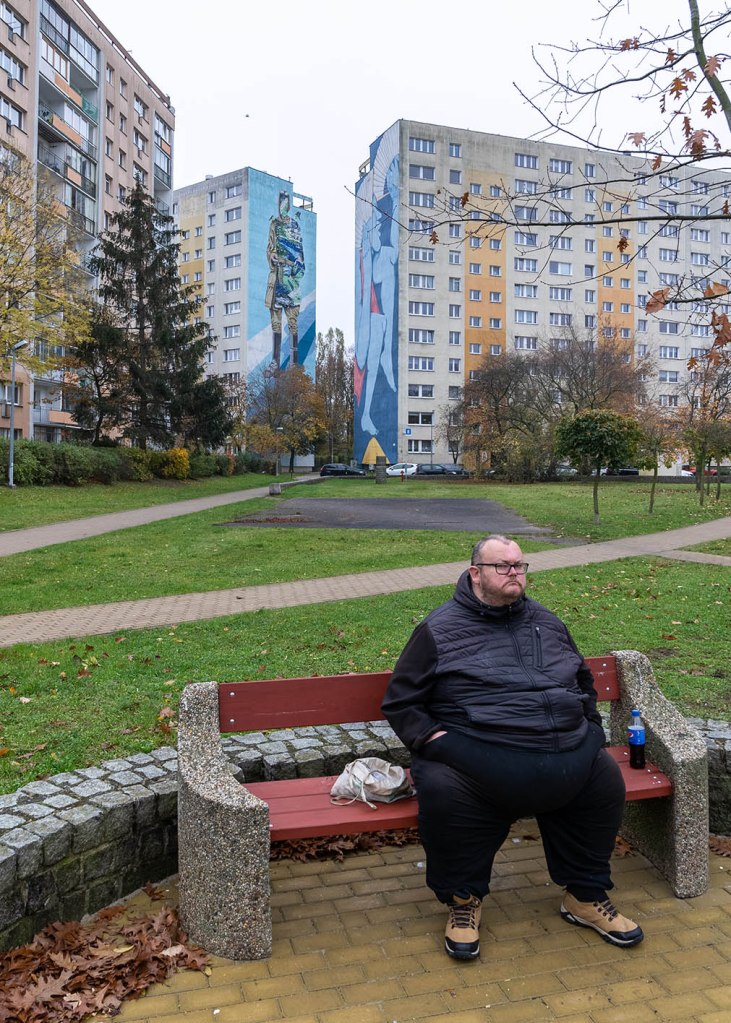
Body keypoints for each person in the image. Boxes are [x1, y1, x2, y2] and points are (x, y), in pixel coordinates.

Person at [382, 534, 643, 960]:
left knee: (603, 779)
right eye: (502, 566)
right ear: (475, 573)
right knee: (445, 793)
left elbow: (582, 682)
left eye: (519, 566)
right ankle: (463, 901)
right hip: (478, 758)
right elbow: (402, 703)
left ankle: (584, 895)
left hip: (563, 749)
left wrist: (592, 729)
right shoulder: (438, 630)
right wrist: (444, 745)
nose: (514, 573)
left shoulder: (548, 623)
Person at [265, 191, 305, 368]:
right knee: (276, 322)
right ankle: (275, 361)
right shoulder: (274, 224)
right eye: (281, 201)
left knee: (293, 322)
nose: (283, 206)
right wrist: (272, 256)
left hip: (291, 282)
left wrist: (295, 269)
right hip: (276, 279)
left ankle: (294, 362)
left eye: (285, 202)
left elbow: (300, 255)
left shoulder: (295, 225)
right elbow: (270, 247)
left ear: (288, 204)